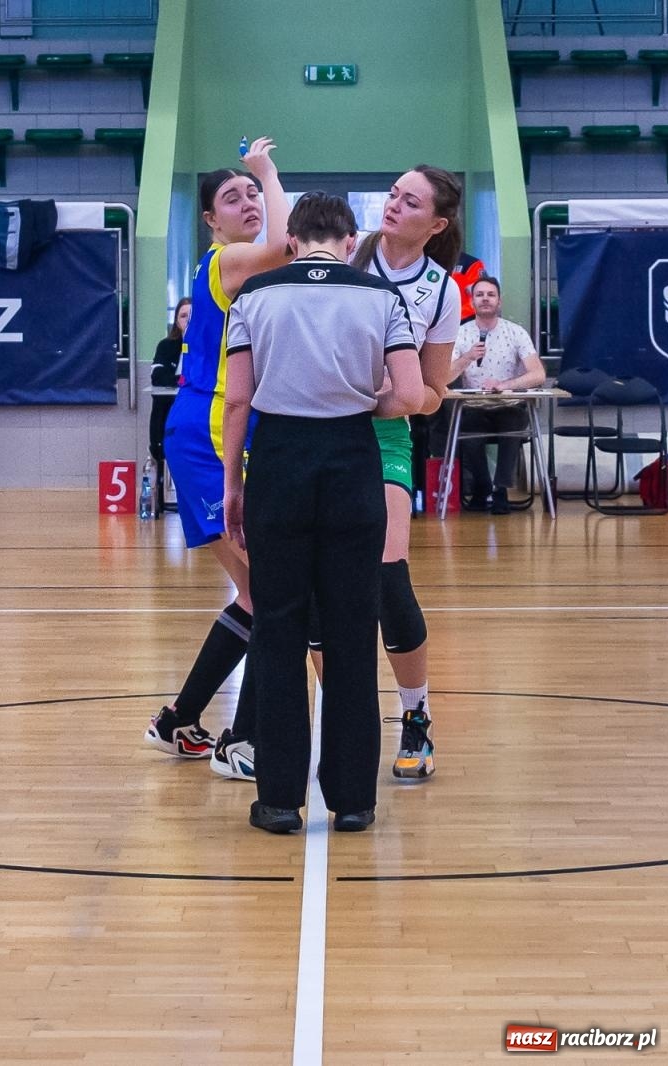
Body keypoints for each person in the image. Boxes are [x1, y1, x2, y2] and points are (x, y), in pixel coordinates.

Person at [221, 191, 424, 835]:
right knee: (352, 630)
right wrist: (365, 400)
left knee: (278, 630)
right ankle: (354, 799)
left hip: (278, 461)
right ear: (349, 239)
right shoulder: (381, 296)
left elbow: (238, 402)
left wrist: (233, 485)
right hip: (351, 461)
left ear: (293, 239)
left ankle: (280, 799)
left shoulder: (253, 295)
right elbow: (412, 394)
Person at [146, 138, 293, 782]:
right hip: (208, 434)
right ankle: (244, 740)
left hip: (222, 431)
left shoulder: (241, 269)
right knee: (274, 593)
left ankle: (178, 719)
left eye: (254, 193)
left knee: (259, 594)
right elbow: (285, 246)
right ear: (211, 219)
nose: (250, 202)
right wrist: (268, 171)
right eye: (234, 198)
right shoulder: (228, 260)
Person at [337, 165, 463, 782]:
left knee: (388, 579)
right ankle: (342, 718)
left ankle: (416, 715)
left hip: (386, 434)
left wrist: (392, 399)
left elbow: (434, 392)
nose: (393, 205)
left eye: (410, 202)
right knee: (321, 592)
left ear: (436, 224)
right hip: (322, 431)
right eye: (392, 194)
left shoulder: (441, 291)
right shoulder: (345, 257)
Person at [447, 276, 546, 514]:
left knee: (511, 427)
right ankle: (482, 486)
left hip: (509, 404)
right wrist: (467, 358)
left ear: (499, 301)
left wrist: (506, 385)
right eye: (480, 295)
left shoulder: (515, 332)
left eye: (490, 295)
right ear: (472, 301)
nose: (485, 299)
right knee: (469, 433)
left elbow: (538, 374)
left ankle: (501, 489)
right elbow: (445, 376)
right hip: (475, 406)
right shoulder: (460, 334)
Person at [147, 298, 190, 465]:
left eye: (192, 315)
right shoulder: (166, 345)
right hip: (167, 407)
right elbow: (157, 376)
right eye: (183, 316)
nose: (188, 320)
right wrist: (181, 380)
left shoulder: (208, 347)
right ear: (177, 321)